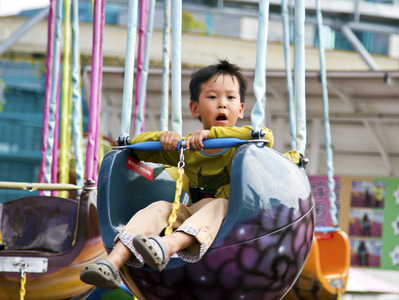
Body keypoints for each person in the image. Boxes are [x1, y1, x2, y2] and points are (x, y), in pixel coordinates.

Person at [80, 59, 274, 289]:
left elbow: (266, 137)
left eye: (230, 98)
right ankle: (112, 262)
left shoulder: (245, 144)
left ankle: (167, 245)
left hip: (234, 223)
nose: (222, 104)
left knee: (220, 204)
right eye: (212, 97)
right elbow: (135, 149)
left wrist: (212, 135)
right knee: (161, 207)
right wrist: (164, 139)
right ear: (195, 108)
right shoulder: (188, 148)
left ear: (240, 109)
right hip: (193, 218)